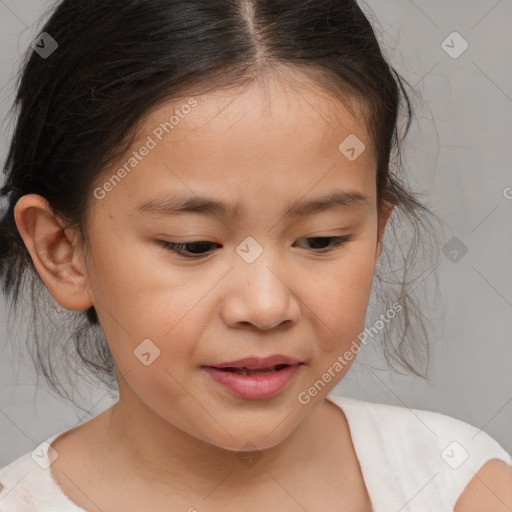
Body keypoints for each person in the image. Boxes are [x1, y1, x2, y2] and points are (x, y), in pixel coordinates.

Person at [0, 1, 510, 510]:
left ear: (377, 234)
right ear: (61, 251)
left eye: (321, 240)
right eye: (194, 245)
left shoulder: (461, 486)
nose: (266, 306)